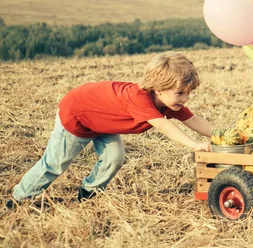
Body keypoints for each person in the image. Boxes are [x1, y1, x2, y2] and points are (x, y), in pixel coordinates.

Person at [8, 51, 214, 207]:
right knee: (55, 163)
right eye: (180, 93)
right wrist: (194, 144)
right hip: (78, 115)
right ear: (159, 89)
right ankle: (19, 199)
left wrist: (221, 137)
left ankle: (89, 193)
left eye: (188, 93)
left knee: (114, 157)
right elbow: (163, 126)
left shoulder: (168, 102)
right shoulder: (140, 99)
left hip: (102, 121)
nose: (185, 98)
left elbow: (193, 119)